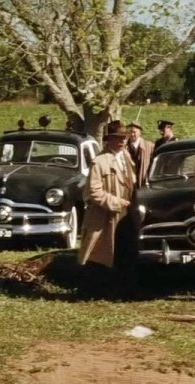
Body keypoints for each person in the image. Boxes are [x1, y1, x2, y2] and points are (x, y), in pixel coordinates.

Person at [77, 121, 140, 300]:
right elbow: (93, 192)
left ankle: (126, 291)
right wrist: (117, 202)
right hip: (105, 216)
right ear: (108, 140)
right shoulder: (99, 161)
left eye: (124, 138)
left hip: (127, 214)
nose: (121, 141)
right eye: (117, 138)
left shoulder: (126, 157)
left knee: (127, 253)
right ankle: (94, 293)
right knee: (100, 255)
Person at [126, 121, 154, 187]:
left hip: (144, 184)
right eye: (130, 132)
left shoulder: (149, 146)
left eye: (134, 132)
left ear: (140, 132)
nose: (132, 134)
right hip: (128, 184)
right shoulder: (124, 147)